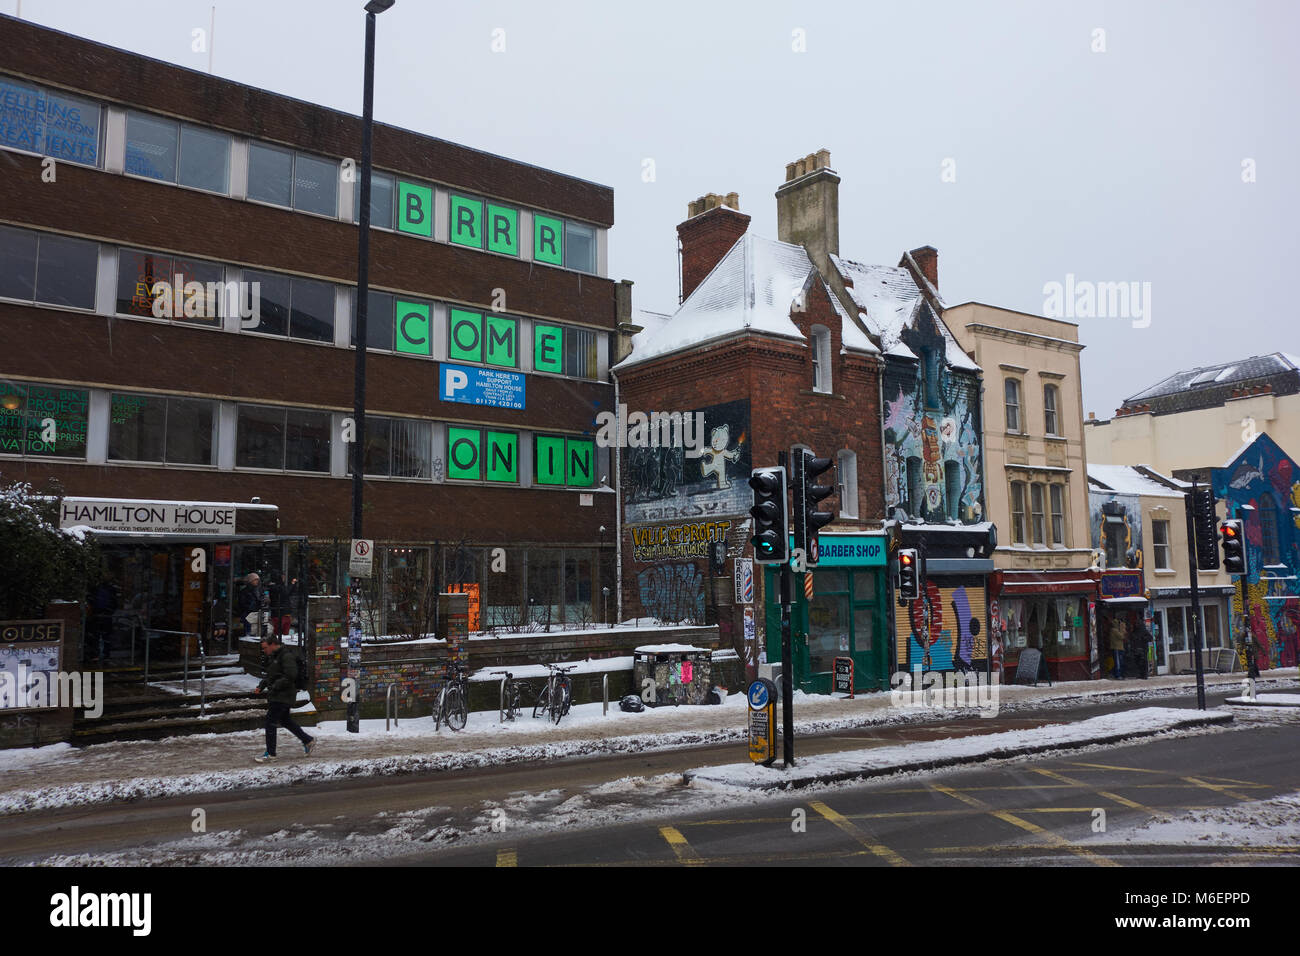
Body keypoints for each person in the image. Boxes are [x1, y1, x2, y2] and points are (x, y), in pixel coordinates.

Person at [253, 632, 315, 762]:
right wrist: (262, 686)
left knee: (270, 722)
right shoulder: (275, 657)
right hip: (278, 694)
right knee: (285, 720)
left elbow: (291, 675)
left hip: (284, 695)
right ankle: (308, 740)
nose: (264, 651)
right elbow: (272, 675)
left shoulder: (286, 656)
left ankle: (271, 754)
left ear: (273, 644)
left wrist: (276, 686)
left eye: (265, 648)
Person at [237, 572, 267, 641]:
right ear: (250, 581)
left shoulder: (259, 590)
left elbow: (262, 601)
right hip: (249, 615)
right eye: (255, 580)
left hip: (257, 614)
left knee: (257, 633)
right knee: (249, 634)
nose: (257, 581)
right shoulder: (244, 592)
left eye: (257, 580)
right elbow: (242, 604)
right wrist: (251, 607)